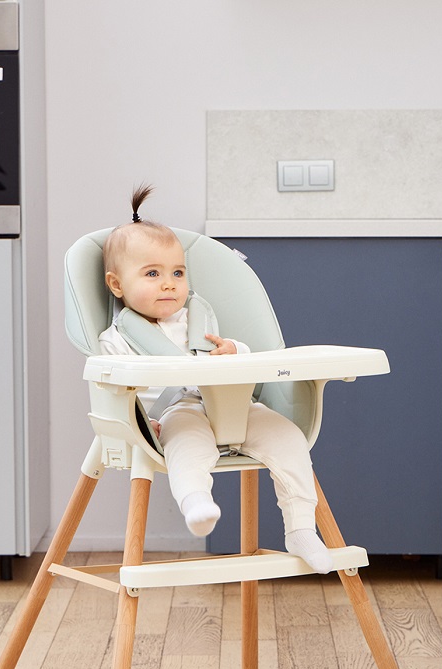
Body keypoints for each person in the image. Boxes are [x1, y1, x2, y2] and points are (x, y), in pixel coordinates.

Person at [98, 185, 333, 574]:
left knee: (289, 438)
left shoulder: (199, 317)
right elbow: (114, 389)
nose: (169, 283)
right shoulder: (116, 339)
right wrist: (139, 423)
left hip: (234, 405)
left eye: (177, 272)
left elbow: (236, 356)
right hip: (176, 412)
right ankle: (196, 501)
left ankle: (301, 529)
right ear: (117, 284)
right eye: (153, 273)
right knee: (188, 445)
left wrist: (235, 350)